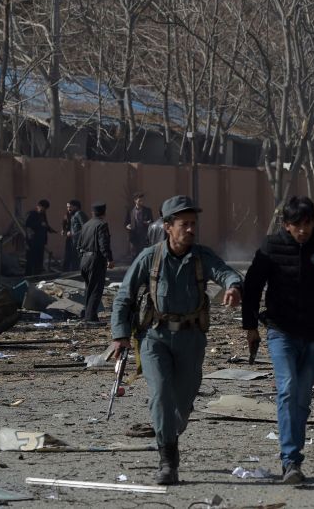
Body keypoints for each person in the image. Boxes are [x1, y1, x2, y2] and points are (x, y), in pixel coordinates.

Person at [109, 195, 243, 485]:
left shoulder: (201, 257)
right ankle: (168, 461)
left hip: (191, 339)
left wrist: (233, 286)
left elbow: (225, 272)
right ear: (168, 226)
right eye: (185, 224)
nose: (191, 229)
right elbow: (124, 297)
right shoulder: (150, 257)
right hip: (154, 337)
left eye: (194, 224)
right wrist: (119, 336)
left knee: (182, 402)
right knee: (161, 394)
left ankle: (171, 427)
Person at [241, 196, 314, 484]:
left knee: (303, 396)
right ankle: (291, 460)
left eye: (308, 224)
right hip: (281, 330)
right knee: (289, 388)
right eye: (297, 225)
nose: (303, 230)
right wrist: (250, 327)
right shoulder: (271, 246)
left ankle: (293, 453)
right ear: (286, 225)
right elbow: (252, 286)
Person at [78, 203, 115, 322]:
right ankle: (90, 318)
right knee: (96, 289)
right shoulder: (102, 225)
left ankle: (89, 315)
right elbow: (103, 244)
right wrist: (109, 259)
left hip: (84, 259)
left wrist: (83, 257)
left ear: (92, 213)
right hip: (95, 260)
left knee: (89, 288)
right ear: (104, 213)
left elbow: (78, 245)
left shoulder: (86, 225)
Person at [24, 199, 57, 275]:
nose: (44, 210)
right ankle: (28, 277)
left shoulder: (43, 214)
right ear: (39, 206)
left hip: (41, 242)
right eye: (43, 208)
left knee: (39, 261)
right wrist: (39, 224)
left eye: (45, 209)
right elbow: (28, 225)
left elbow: (45, 224)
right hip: (32, 242)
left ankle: (37, 276)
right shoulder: (32, 214)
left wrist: (50, 229)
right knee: (31, 260)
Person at [125, 192, 154, 260]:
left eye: (142, 200)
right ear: (135, 201)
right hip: (133, 237)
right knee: (134, 255)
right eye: (139, 200)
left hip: (144, 236)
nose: (141, 202)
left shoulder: (148, 210)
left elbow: (152, 222)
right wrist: (127, 226)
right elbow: (126, 223)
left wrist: (149, 222)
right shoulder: (130, 211)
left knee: (144, 255)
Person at [61, 200, 88, 272]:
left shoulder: (79, 214)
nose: (68, 209)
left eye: (70, 207)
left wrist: (73, 234)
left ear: (76, 207)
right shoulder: (72, 215)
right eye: (67, 207)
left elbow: (85, 228)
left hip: (78, 243)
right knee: (69, 259)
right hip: (72, 241)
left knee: (76, 261)